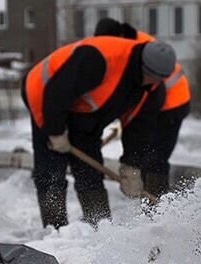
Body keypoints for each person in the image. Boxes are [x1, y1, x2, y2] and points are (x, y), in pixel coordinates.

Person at [22, 36, 174, 229]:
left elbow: (139, 130)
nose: (152, 82)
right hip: (45, 96)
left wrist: (131, 167)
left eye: (158, 79)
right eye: (150, 76)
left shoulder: (153, 91)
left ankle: (100, 227)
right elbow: (57, 92)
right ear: (141, 65)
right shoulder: (98, 60)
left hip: (84, 113)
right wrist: (55, 132)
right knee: (51, 170)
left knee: (90, 171)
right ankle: (55, 230)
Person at [95, 18, 192, 198]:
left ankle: (157, 205)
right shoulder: (130, 43)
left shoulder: (137, 48)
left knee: (155, 158)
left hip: (172, 104)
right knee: (147, 155)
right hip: (158, 103)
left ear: (117, 37)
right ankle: (150, 200)